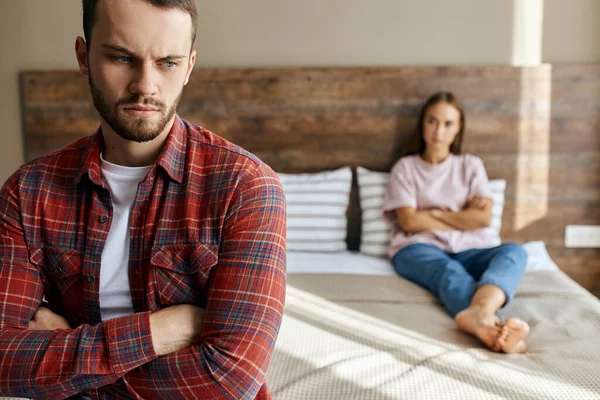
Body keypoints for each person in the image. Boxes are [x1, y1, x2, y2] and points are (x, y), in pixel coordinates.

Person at [0, 0, 286, 398]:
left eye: (168, 63)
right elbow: (3, 360)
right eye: (121, 58)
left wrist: (74, 369)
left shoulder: (246, 186)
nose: (145, 86)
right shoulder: (28, 191)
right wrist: (163, 331)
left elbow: (229, 379)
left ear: (188, 67)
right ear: (84, 57)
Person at [383, 91, 529, 353]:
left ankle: (481, 316)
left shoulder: (470, 165)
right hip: (417, 248)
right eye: (432, 121)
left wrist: (432, 214)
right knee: (449, 273)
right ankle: (497, 330)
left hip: (470, 248)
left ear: (458, 128)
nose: (439, 130)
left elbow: (483, 218)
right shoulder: (405, 168)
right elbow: (409, 222)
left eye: (448, 123)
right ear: (422, 123)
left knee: (514, 252)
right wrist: (462, 216)